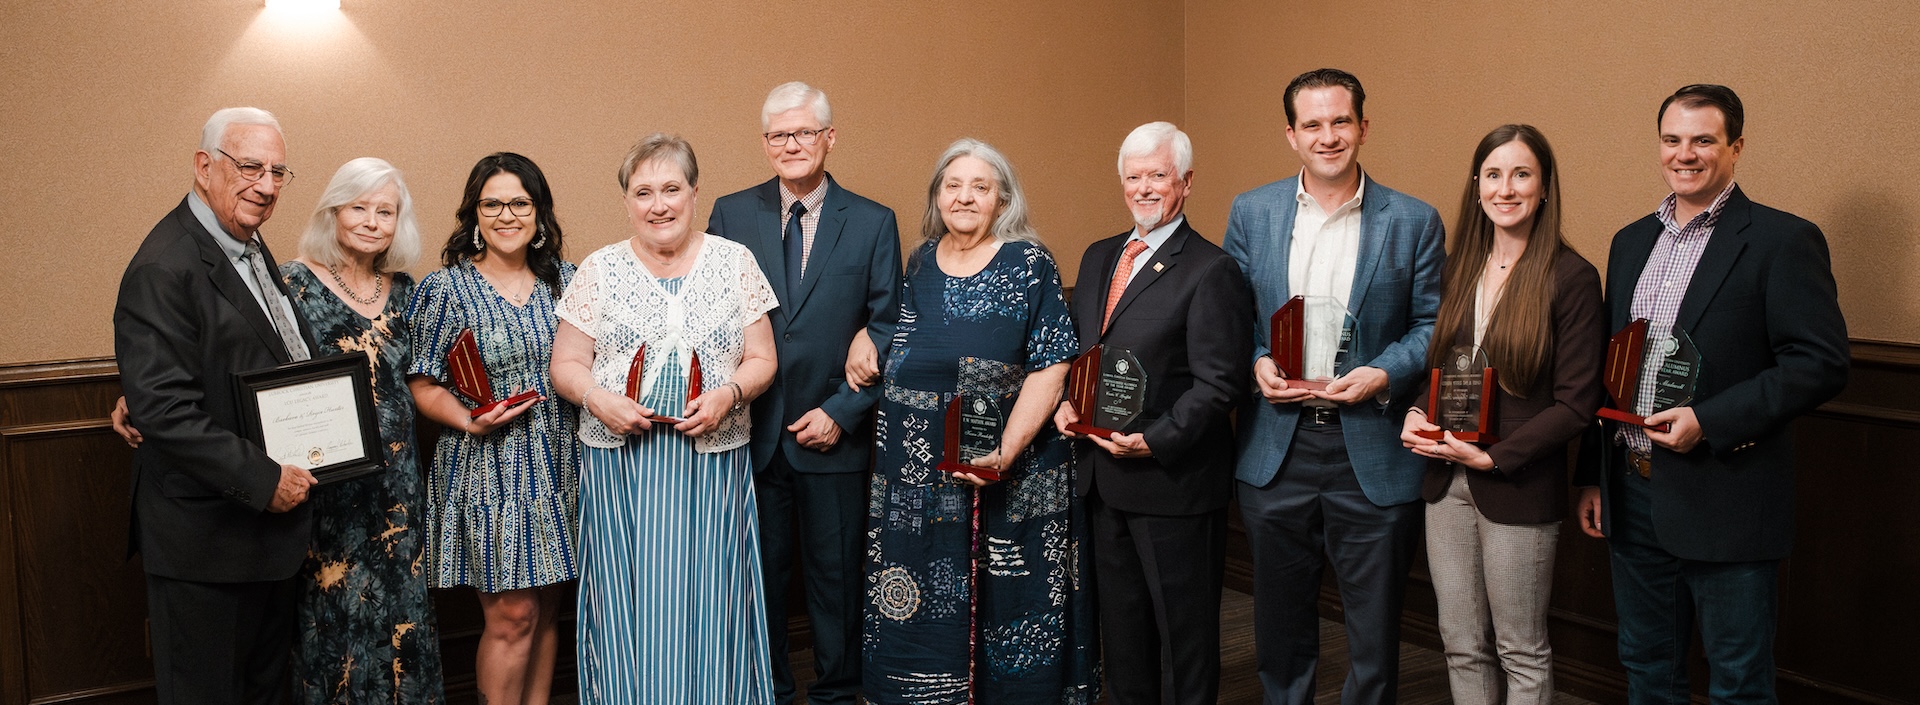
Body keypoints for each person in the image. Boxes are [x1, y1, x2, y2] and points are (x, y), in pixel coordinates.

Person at [1573, 84, 1848, 704]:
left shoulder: (1782, 241)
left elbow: (1821, 362)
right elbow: (1611, 369)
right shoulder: (1630, 241)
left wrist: (1711, 419)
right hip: (1632, 491)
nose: (1685, 154)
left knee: (1738, 683)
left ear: (1736, 147)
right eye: (1672, 140)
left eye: (1703, 140)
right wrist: (1594, 476)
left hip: (1727, 495)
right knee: (1646, 668)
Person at [1222, 68, 1445, 705]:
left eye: (1340, 122)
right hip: (1276, 450)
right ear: (1291, 135)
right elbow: (1231, 320)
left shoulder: (1413, 220)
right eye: (1312, 124)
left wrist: (1385, 372)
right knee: (1280, 624)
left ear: (1363, 128)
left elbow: (1436, 324)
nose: (1328, 136)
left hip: (1370, 450)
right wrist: (1257, 360)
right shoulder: (1252, 211)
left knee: (1374, 632)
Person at [864, 138, 1099, 704]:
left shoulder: (1028, 261)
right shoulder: (919, 260)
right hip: (914, 475)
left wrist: (1007, 452)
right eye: (953, 185)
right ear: (937, 196)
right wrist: (860, 340)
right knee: (920, 600)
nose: (964, 197)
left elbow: (1051, 366)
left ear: (1002, 200)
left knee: (1013, 607)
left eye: (980, 187)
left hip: (1010, 472)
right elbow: (893, 331)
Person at [549, 133, 780, 702]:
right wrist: (600, 400)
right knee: (626, 597)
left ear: (695, 193)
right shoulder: (598, 270)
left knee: (714, 594)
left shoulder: (735, 262)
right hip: (621, 470)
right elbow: (567, 364)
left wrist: (729, 393)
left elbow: (763, 359)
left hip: (713, 467)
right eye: (643, 191)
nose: (659, 204)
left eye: (671, 189)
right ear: (627, 201)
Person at [113, 106, 318, 704]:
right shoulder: (165, 263)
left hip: (260, 542)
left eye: (279, 172)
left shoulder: (244, 245)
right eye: (250, 166)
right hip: (206, 544)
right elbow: (165, 411)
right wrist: (265, 478)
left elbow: (248, 359)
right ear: (204, 167)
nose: (267, 185)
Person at [706, 82, 902, 705]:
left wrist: (842, 412)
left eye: (803, 133)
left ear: (829, 139)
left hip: (833, 434)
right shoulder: (731, 214)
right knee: (759, 581)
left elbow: (888, 325)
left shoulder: (873, 222)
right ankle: (767, 690)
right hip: (751, 432)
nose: (791, 145)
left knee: (837, 581)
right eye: (778, 135)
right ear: (765, 144)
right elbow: (713, 314)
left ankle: (840, 693)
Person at [1398, 125, 1603, 705]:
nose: (1505, 188)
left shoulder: (1572, 278)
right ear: (1476, 185)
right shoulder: (1456, 268)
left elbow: (1577, 402)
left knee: (1521, 651)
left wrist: (1492, 455)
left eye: (1521, 175)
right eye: (1493, 174)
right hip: (1445, 482)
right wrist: (1416, 412)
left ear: (1544, 188)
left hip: (1516, 483)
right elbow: (1438, 366)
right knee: (1461, 645)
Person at [1053, 121, 1251, 705]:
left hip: (1171, 481)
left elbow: (1220, 384)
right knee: (1124, 635)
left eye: (1157, 175)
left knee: (1183, 638)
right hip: (1101, 479)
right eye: (1133, 176)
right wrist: (1069, 404)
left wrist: (1156, 440)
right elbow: (1085, 349)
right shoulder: (1097, 257)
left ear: (1185, 182)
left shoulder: (1212, 270)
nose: (1143, 188)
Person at [407, 152, 578, 705]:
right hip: (490, 468)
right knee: (512, 615)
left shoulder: (568, 283)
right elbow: (423, 383)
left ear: (539, 212)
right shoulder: (446, 290)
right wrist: (468, 419)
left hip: (561, 462)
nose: (507, 215)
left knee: (548, 610)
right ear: (473, 214)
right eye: (492, 203)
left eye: (520, 203)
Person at [273, 158, 446, 702]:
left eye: (385, 211)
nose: (372, 221)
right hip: (328, 485)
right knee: (337, 617)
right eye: (358, 208)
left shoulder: (405, 290)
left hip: (397, 485)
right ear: (333, 212)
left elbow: (430, 373)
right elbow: (236, 361)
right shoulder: (291, 283)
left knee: (401, 610)